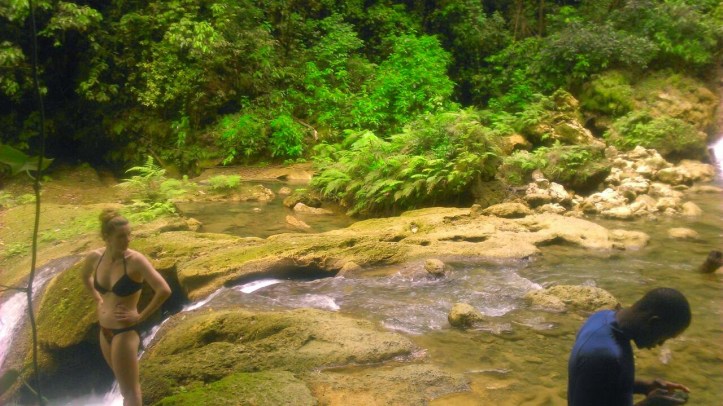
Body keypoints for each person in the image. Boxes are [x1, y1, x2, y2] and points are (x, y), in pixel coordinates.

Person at [81, 209, 171, 406]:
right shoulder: (95, 257)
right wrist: (97, 297)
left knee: (131, 391)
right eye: (121, 236)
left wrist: (140, 316)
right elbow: (85, 276)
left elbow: (164, 290)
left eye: (129, 234)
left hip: (125, 332)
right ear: (107, 237)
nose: (128, 240)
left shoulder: (135, 260)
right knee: (124, 389)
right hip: (104, 330)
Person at [568, 288, 692, 406]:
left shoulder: (602, 318)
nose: (660, 344)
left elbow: (602, 383)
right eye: (663, 337)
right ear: (654, 322)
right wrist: (649, 404)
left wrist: (645, 386)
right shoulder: (605, 356)